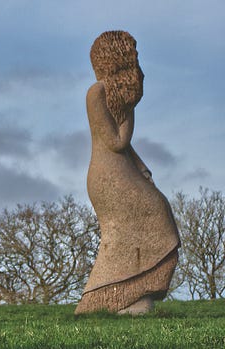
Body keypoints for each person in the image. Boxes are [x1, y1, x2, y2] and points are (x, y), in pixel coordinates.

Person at [76, 31, 180, 315]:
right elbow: (116, 141)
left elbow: (126, 146)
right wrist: (130, 111)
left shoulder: (114, 95)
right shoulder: (96, 93)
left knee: (157, 213)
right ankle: (102, 298)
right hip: (107, 175)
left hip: (122, 169)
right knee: (154, 212)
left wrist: (142, 166)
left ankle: (132, 296)